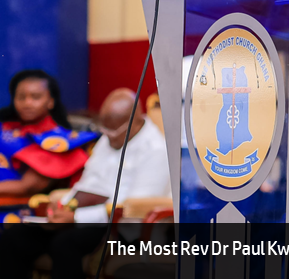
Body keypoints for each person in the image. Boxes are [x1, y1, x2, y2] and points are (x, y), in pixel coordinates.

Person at [0, 88, 171, 279]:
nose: (108, 136)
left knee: (65, 244)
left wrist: (75, 217)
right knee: (15, 236)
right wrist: (62, 207)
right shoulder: (108, 138)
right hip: (79, 214)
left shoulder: (157, 150)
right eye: (104, 129)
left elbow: (132, 208)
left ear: (134, 122)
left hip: (115, 225)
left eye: (113, 131)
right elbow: (86, 182)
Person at [0, 69, 94, 197]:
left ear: (51, 101)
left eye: (36, 97)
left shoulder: (61, 141)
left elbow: (28, 186)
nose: (27, 103)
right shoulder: (7, 127)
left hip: (18, 209)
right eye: (21, 97)